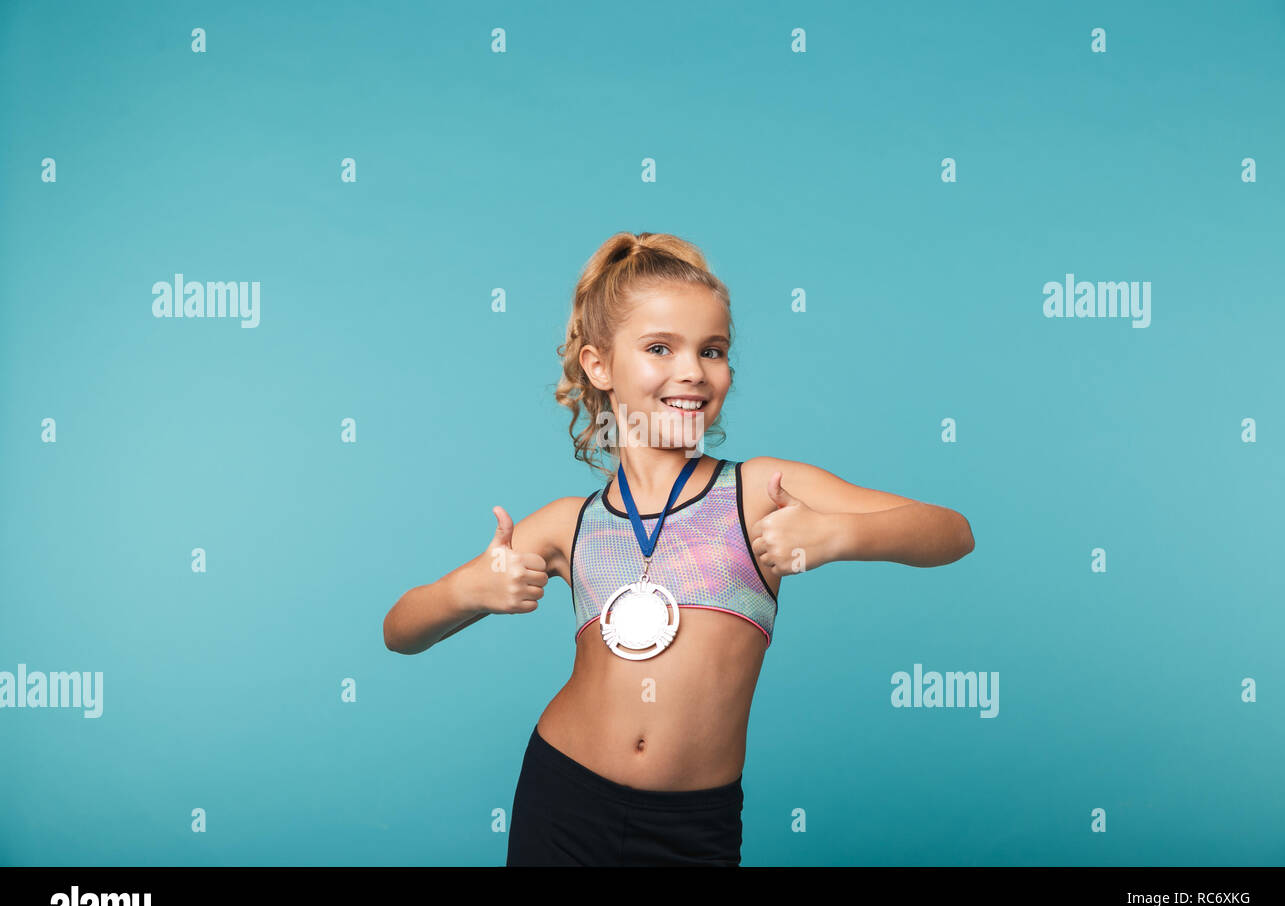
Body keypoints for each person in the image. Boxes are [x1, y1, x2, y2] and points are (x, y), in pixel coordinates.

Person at [382, 231, 976, 866]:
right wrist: (465, 590)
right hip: (564, 800)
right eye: (660, 347)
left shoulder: (761, 491)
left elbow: (951, 533)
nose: (692, 370)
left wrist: (840, 534)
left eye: (713, 350)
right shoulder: (568, 524)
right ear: (599, 365)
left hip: (693, 827)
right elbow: (401, 630)